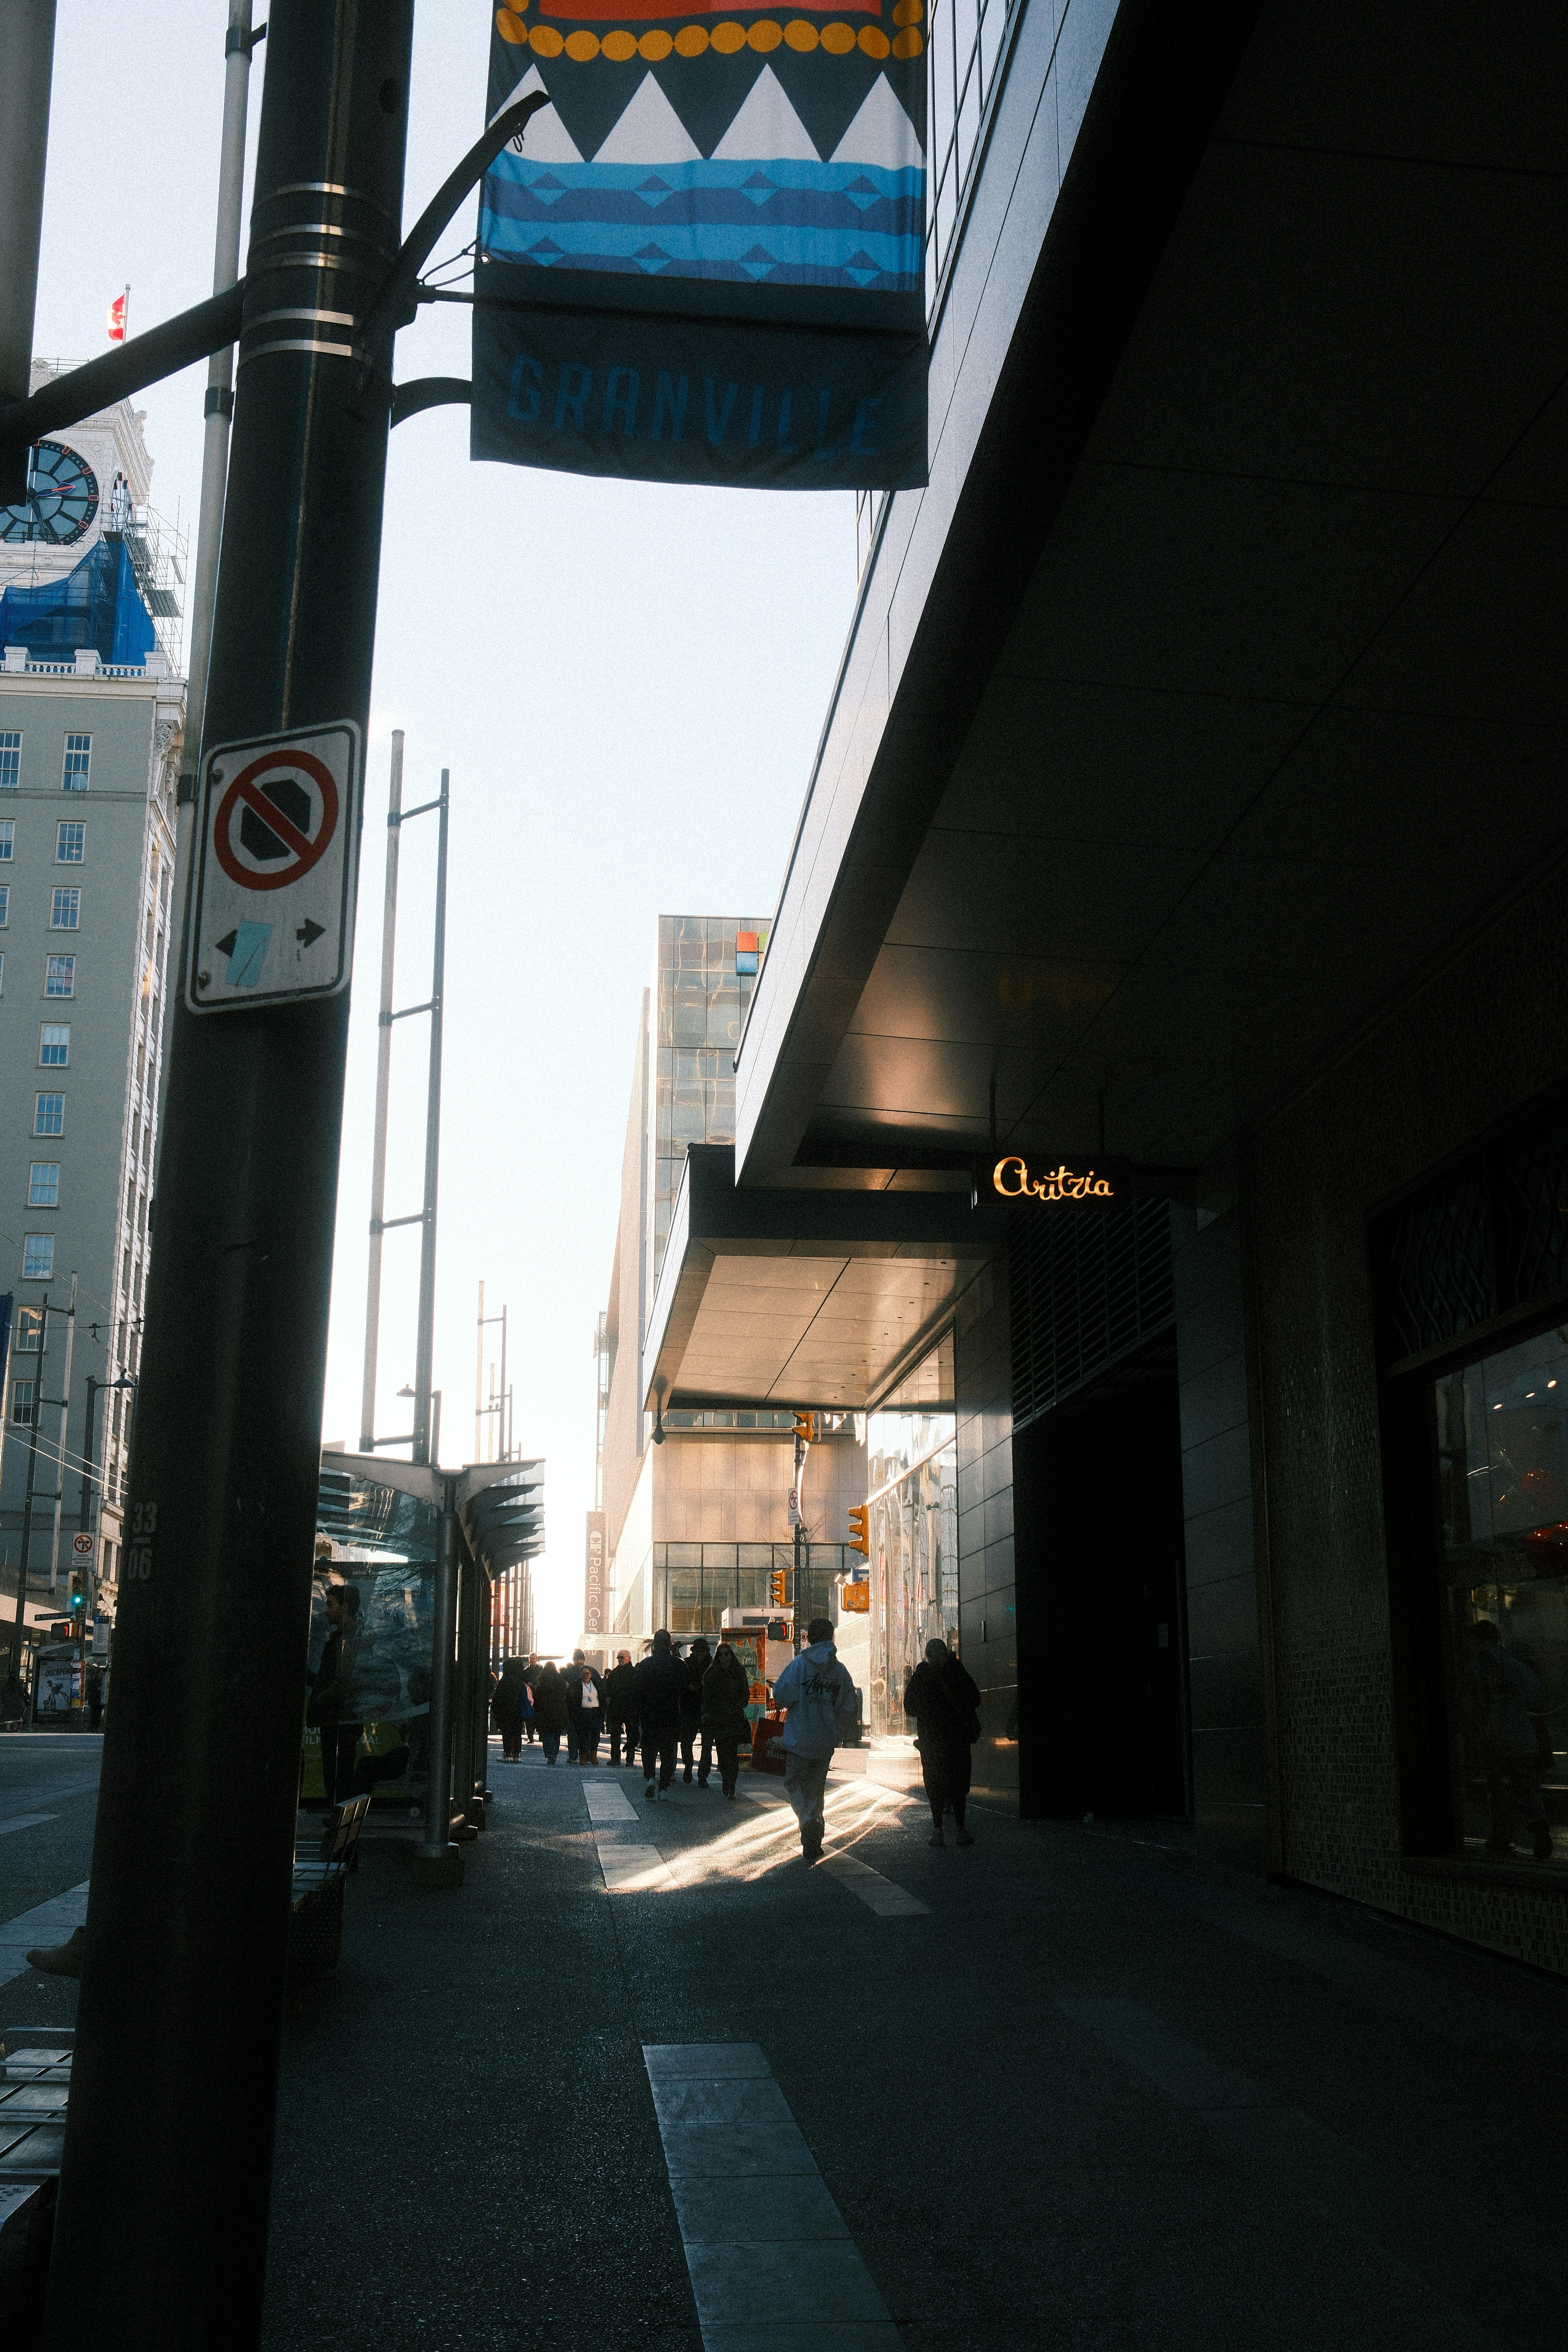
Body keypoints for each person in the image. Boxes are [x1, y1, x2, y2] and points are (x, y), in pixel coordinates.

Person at [1462, 1618, 1552, 1860]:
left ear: (1477, 1641)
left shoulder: (1475, 1668)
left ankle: (1501, 1835)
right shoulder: (1515, 1666)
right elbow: (1535, 1693)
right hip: (1521, 1738)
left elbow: (1470, 1708)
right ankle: (1540, 1824)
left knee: (1497, 1790)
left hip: (1494, 1740)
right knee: (1525, 1785)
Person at [771, 1616, 858, 1862]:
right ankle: (814, 1839)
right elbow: (848, 1708)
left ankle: (809, 1821)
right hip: (825, 1739)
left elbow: (780, 1696)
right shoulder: (839, 1671)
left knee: (796, 1784)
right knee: (816, 1789)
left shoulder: (799, 1665)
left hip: (799, 1738)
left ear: (808, 1637)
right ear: (831, 1637)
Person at [905, 1637, 982, 1846]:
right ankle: (961, 1830)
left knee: (935, 1786)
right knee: (958, 1784)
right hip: (957, 1740)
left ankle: (938, 1832)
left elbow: (910, 1708)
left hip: (931, 1741)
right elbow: (976, 1699)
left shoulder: (923, 1676)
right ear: (946, 1653)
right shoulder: (958, 1671)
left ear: (928, 1656)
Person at [307, 1582, 364, 1810]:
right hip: (341, 1718)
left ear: (345, 1607)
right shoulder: (347, 1636)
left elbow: (342, 1683)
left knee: (337, 1773)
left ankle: (339, 1819)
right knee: (339, 1772)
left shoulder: (346, 1640)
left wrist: (321, 1700)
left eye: (331, 1604)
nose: (326, 1610)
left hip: (338, 1718)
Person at [634, 1630, 686, 1800]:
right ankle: (663, 1788)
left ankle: (650, 1777)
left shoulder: (645, 1665)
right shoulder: (679, 1664)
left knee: (649, 1749)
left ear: (655, 1644)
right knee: (668, 1752)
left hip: (650, 1713)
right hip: (671, 1712)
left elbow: (637, 1693)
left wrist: (637, 1714)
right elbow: (686, 1690)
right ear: (669, 1644)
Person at [701, 1640, 751, 1799]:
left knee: (732, 1753)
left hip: (734, 1717)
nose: (725, 1658)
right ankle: (726, 1781)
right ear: (718, 1657)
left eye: (727, 1654)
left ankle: (732, 1786)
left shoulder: (738, 1671)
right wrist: (707, 1713)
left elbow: (745, 1693)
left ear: (731, 1655)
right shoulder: (712, 1673)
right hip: (718, 1718)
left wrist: (739, 1705)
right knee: (723, 1754)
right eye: (722, 1655)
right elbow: (707, 1697)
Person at [680, 1636, 714, 1785]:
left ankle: (703, 1776)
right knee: (687, 1742)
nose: (700, 1654)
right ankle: (688, 1766)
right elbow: (680, 1684)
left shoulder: (713, 1665)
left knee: (707, 1745)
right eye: (697, 1652)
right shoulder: (687, 1664)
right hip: (690, 1707)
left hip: (706, 1708)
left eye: (702, 1652)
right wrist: (688, 1687)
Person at [604, 1648, 639, 1768]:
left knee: (631, 1734)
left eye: (622, 1657)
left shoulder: (635, 1673)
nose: (620, 1660)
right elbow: (608, 1690)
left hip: (630, 1709)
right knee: (615, 1735)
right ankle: (615, 1758)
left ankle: (630, 1759)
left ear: (629, 1659)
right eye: (619, 1657)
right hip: (617, 1708)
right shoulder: (614, 1674)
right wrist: (608, 1697)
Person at [531, 1659, 569, 1764]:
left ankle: (549, 1755)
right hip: (558, 1711)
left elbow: (537, 1699)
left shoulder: (542, 1682)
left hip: (545, 1712)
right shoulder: (560, 1680)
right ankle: (554, 1754)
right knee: (556, 1734)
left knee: (547, 1734)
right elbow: (568, 1689)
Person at [492, 1657, 529, 1761]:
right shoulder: (520, 1682)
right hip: (518, 1712)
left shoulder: (504, 1681)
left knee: (507, 1732)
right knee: (517, 1733)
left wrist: (497, 1710)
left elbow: (498, 1697)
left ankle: (508, 1753)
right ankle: (517, 1754)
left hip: (506, 1712)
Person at [572, 1656, 606, 1765]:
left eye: (588, 1674)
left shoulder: (595, 1684)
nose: (586, 1676)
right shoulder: (577, 1684)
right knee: (583, 1735)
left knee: (595, 1735)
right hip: (583, 1713)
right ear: (581, 1675)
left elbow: (601, 1696)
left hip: (595, 1712)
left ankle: (593, 1756)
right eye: (583, 1674)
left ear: (591, 1675)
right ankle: (583, 1756)